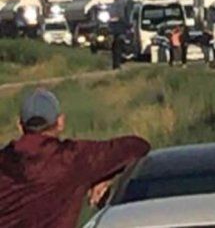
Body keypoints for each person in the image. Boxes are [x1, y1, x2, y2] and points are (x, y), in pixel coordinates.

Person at [0, 89, 150, 227]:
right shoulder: (73, 158)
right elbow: (137, 146)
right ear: (60, 123)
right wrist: (107, 176)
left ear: (20, 126)